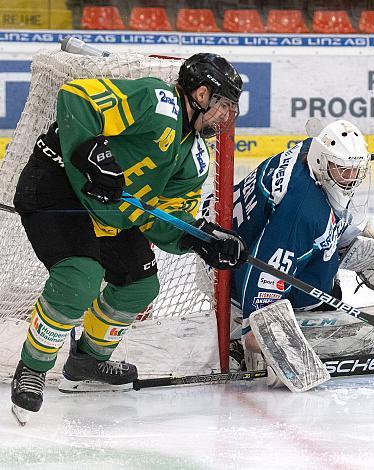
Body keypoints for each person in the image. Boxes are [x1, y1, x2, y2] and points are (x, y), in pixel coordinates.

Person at [10, 53, 247, 420]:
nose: (224, 117)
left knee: (139, 286)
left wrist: (198, 238)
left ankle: (87, 361)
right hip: (59, 185)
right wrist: (92, 152)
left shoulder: (196, 158)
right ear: (200, 94)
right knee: (79, 279)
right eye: (223, 105)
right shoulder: (158, 102)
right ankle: (33, 367)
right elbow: (76, 97)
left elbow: (164, 221)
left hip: (109, 212)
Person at [229, 119, 374, 377]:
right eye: (344, 170)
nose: (352, 179)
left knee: (318, 245)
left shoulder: (309, 154)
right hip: (237, 281)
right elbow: (266, 267)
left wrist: (350, 233)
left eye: (357, 170)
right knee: (300, 284)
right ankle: (238, 330)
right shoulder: (302, 212)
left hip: (236, 244)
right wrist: (258, 328)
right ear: (322, 162)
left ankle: (331, 254)